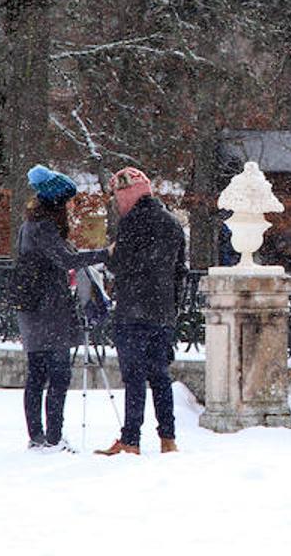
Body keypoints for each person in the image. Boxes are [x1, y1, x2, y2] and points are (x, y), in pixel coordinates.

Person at [95, 166, 187, 456]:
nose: (118, 204)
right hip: (162, 312)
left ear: (128, 195)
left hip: (133, 311)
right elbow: (180, 271)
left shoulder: (132, 222)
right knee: (160, 376)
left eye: (119, 198)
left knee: (134, 378)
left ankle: (131, 440)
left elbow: (121, 263)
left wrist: (111, 254)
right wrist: (173, 308)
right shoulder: (172, 223)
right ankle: (168, 439)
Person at [17, 164, 109, 452]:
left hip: (32, 309)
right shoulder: (44, 227)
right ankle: (52, 438)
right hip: (48, 311)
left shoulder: (29, 225)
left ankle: (38, 436)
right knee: (57, 376)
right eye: (66, 202)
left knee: (37, 375)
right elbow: (66, 259)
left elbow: (63, 256)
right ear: (56, 202)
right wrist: (105, 253)